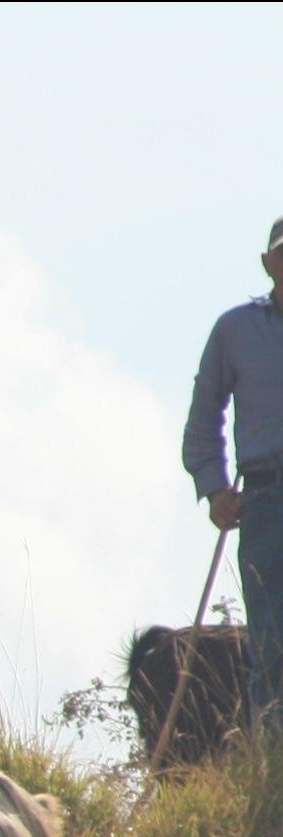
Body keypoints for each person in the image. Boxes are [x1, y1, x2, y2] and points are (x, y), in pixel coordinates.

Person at [184, 218, 283, 724]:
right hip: (266, 500)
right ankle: (271, 777)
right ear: (268, 263)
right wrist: (215, 487)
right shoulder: (236, 330)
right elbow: (205, 412)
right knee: (271, 643)